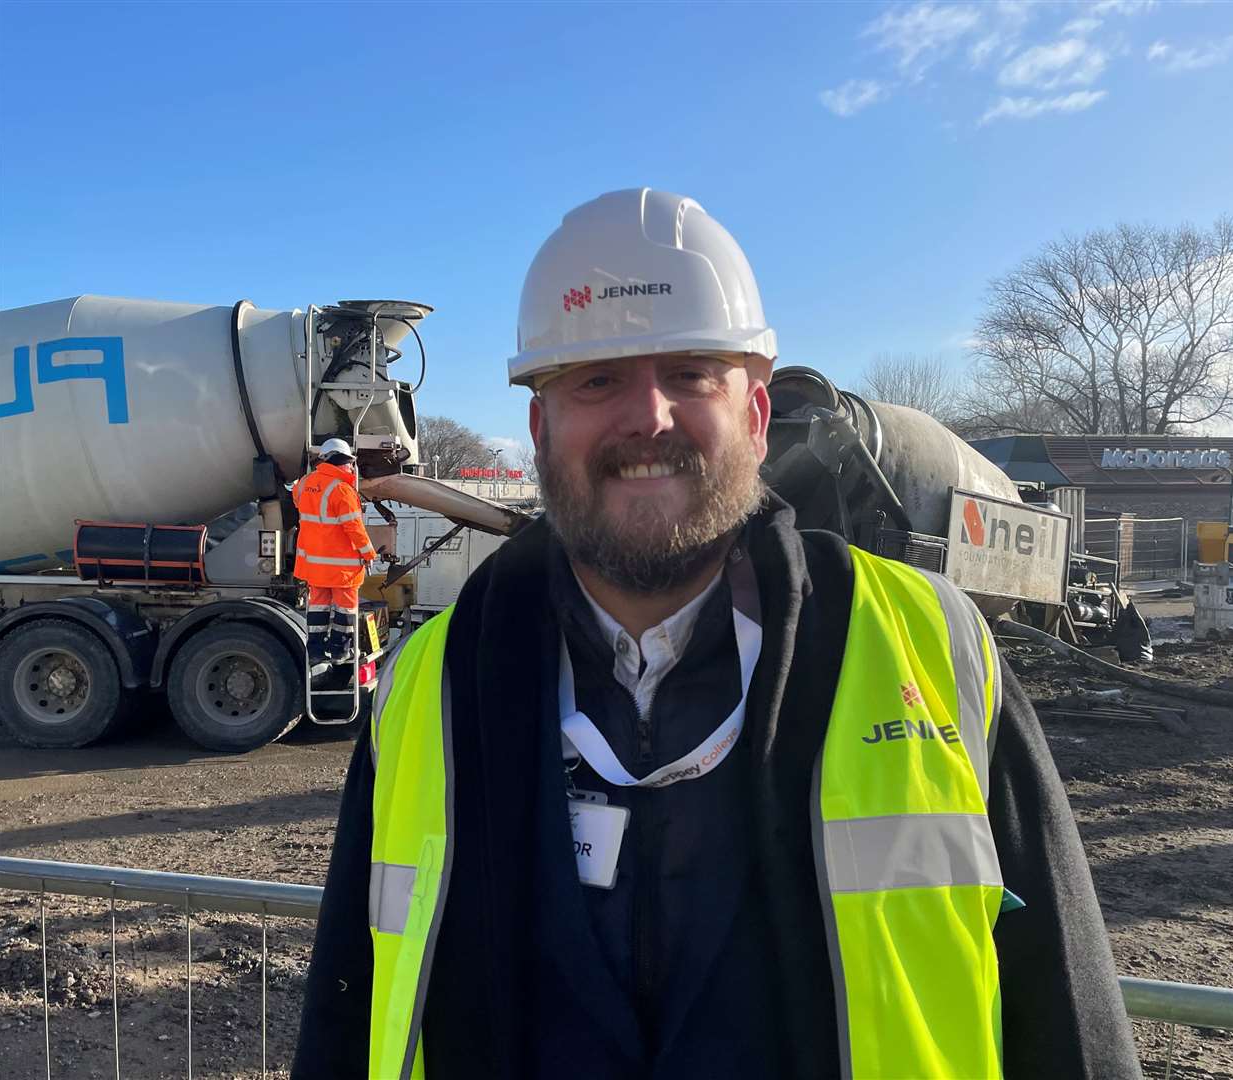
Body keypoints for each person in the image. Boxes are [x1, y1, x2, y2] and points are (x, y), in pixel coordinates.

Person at [294, 189, 1141, 1079]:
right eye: (597, 379)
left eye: (692, 372)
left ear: (757, 416)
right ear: (541, 429)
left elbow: (1067, 1017)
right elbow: (346, 1022)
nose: (648, 417)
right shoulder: (431, 682)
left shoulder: (935, 650)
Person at [292, 438, 376, 664]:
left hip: (314, 566)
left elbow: (298, 501)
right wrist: (369, 553)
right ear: (341, 462)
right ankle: (340, 651)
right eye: (349, 463)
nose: (351, 468)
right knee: (345, 610)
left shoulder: (304, 484)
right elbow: (354, 528)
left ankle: (317, 651)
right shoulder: (342, 491)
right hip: (342, 569)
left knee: (317, 607)